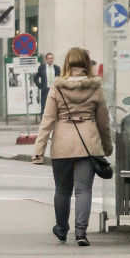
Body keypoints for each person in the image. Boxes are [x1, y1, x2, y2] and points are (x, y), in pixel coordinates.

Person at [31, 46, 112, 246]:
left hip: (62, 145)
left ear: (67, 63)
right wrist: (107, 146)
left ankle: (61, 229)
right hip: (88, 145)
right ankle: (81, 233)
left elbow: (48, 120)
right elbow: (104, 121)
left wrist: (38, 151)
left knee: (62, 190)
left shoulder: (57, 87)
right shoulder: (96, 88)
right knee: (83, 190)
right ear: (86, 63)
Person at [33, 51, 57, 116]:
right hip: (45, 90)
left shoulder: (56, 68)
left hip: (54, 90)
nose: (51, 60)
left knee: (55, 106)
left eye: (52, 58)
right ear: (46, 59)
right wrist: (40, 86)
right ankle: (43, 121)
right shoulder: (42, 68)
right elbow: (35, 78)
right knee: (44, 106)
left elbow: (60, 78)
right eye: (49, 58)